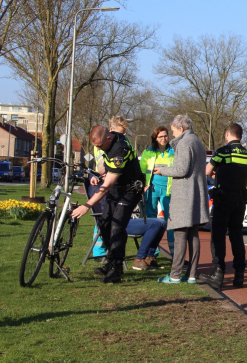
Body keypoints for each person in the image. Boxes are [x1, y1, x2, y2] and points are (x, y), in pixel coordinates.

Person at [72, 125, 144, 283]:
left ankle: (116, 268)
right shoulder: (111, 139)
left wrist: (87, 205)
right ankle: (111, 261)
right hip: (119, 187)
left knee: (117, 225)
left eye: (99, 145)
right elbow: (107, 165)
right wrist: (98, 173)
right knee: (104, 222)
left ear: (108, 138)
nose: (98, 148)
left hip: (131, 189)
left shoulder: (120, 149)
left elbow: (107, 185)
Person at [154, 115, 209, 284]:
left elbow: (181, 169)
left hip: (185, 196)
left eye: (173, 131)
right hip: (196, 194)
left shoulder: (185, 143)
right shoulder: (197, 142)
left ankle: (175, 275)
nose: (172, 135)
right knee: (193, 236)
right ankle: (191, 275)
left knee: (180, 236)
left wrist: (162, 170)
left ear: (181, 129)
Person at [198, 123, 247, 289]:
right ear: (240, 135)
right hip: (240, 200)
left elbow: (207, 171)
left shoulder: (223, 151)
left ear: (228, 134)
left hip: (224, 199)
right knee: (237, 236)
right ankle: (239, 275)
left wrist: (216, 171)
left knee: (218, 236)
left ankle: (218, 273)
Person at [89, 116, 131, 260]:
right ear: (110, 131)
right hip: (104, 184)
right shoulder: (101, 144)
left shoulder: (121, 142)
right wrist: (102, 172)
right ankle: (100, 251)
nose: (121, 136)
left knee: (111, 219)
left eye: (123, 133)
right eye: (119, 132)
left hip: (115, 183)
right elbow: (101, 166)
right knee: (102, 217)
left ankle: (111, 253)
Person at [139, 126, 175, 260]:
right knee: (152, 222)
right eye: (160, 136)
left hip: (168, 191)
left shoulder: (173, 152)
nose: (163, 138)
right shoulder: (148, 152)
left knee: (171, 222)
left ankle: (174, 255)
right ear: (155, 138)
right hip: (152, 190)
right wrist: (143, 185)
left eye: (165, 136)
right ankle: (151, 255)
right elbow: (142, 171)